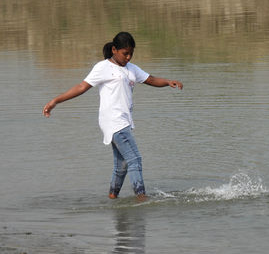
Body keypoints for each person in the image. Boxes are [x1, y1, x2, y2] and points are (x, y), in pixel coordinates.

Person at [43, 32, 183, 201]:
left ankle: (112, 196)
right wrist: (55, 101)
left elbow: (151, 79)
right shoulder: (103, 67)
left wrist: (168, 82)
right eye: (125, 53)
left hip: (124, 120)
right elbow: (81, 87)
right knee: (135, 159)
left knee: (122, 165)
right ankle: (141, 198)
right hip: (114, 121)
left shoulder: (131, 68)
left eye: (131, 53)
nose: (129, 57)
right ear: (114, 50)